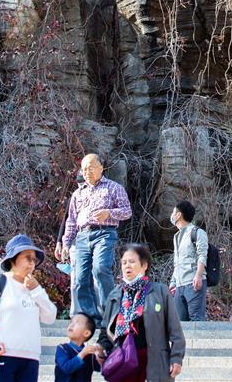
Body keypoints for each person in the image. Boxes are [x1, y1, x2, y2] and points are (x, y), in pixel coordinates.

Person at [98, 243, 185, 382]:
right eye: (124, 262)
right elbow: (105, 330)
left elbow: (174, 329)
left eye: (132, 262)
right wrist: (101, 347)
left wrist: (176, 358)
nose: (127, 266)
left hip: (152, 361)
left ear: (144, 265)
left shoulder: (160, 291)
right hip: (122, 361)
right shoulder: (115, 294)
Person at [62, 153, 132, 322]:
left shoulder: (114, 188)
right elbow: (71, 220)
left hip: (105, 233)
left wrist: (109, 212)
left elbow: (127, 211)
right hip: (81, 236)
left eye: (91, 167)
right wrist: (66, 243)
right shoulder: (77, 194)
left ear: (101, 168)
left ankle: (110, 315)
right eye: (84, 168)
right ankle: (88, 317)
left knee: (100, 269)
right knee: (79, 278)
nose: (87, 172)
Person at [0, 233, 57, 381]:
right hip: (2, 353)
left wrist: (37, 291)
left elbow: (50, 317)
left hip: (30, 356)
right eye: (27, 257)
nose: (32, 263)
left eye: (34, 259)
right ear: (13, 259)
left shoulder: (34, 288)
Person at [168, 200, 209, 322]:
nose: (172, 215)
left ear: (179, 214)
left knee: (196, 320)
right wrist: (173, 283)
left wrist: (198, 275)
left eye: (173, 212)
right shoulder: (177, 236)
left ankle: (199, 342)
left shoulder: (197, 232)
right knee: (180, 323)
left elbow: (202, 255)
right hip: (179, 285)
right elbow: (178, 262)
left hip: (193, 283)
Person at [56, 172, 85, 315]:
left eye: (83, 182)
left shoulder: (100, 194)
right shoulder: (75, 196)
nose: (81, 186)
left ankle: (93, 312)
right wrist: (59, 242)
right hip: (75, 242)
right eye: (79, 183)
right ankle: (76, 312)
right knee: (76, 278)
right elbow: (67, 220)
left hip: (93, 240)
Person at [55, 313, 101, 382]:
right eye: (71, 322)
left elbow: (102, 368)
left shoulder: (90, 355)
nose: (72, 325)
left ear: (86, 333)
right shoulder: (62, 348)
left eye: (77, 323)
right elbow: (67, 368)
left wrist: (100, 353)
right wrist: (82, 353)